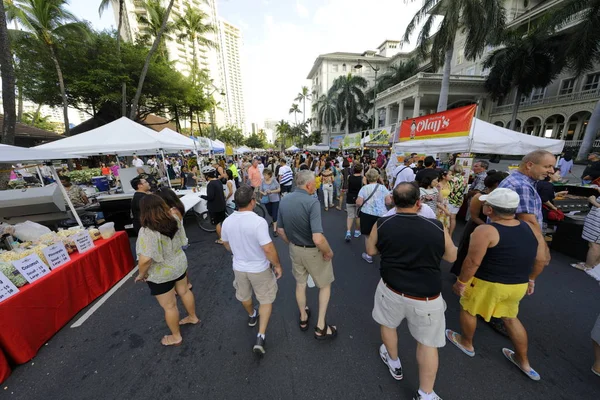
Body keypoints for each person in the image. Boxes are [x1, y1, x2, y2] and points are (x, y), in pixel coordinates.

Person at [366, 182, 457, 400]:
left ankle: (394, 361)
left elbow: (370, 250)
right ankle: (426, 393)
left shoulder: (382, 223)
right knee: (427, 344)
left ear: (392, 201)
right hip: (427, 296)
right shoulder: (436, 226)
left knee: (388, 325)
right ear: (419, 203)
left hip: (391, 288)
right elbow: (451, 256)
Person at [447, 188, 548, 381]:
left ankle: (466, 342)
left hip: (488, 283)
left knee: (468, 309)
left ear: (489, 210)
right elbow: (541, 258)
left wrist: (461, 282)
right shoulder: (530, 227)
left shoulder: (485, 230)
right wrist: (532, 278)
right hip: (518, 284)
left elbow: (472, 262)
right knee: (510, 318)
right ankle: (523, 361)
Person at [221, 185, 283, 354]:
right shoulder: (258, 222)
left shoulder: (227, 221)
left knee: (244, 295)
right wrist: (277, 265)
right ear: (252, 202)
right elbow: (268, 248)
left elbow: (226, 244)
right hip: (259, 268)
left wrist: (237, 251)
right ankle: (260, 336)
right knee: (265, 299)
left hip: (239, 267)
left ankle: (251, 315)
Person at [277, 170, 337, 340]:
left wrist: (291, 242)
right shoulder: (312, 202)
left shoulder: (285, 200)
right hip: (312, 251)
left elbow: (280, 230)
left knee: (300, 283)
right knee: (325, 285)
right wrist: (329, 252)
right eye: (315, 183)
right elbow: (318, 238)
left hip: (295, 248)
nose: (316, 185)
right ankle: (320, 326)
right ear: (309, 185)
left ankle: (303, 317)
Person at [134, 195, 199, 347]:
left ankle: (176, 336)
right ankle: (192, 316)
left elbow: (145, 260)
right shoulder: (174, 218)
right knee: (184, 291)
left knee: (169, 306)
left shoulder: (147, 231)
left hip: (161, 272)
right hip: (179, 263)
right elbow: (183, 240)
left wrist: (141, 274)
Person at [451, 171, 508, 276]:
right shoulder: (479, 197)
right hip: (477, 226)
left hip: (490, 229)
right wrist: (488, 227)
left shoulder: (503, 197)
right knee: (468, 251)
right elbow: (474, 217)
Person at [498, 150, 556, 232]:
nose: (552, 171)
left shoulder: (519, 181)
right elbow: (529, 223)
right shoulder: (521, 186)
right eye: (547, 166)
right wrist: (541, 243)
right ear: (529, 165)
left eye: (552, 167)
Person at [356, 168, 392, 264]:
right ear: (377, 177)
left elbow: (359, 203)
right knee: (381, 234)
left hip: (367, 214)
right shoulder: (383, 188)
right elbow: (388, 202)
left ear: (367, 177)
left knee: (368, 235)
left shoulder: (364, 188)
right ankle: (383, 253)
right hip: (381, 214)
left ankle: (369, 255)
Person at [572, 190, 600, 271]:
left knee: (594, 245)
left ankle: (588, 266)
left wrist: (593, 201)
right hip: (596, 220)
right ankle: (595, 264)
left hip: (597, 223)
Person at [200, 166, 227, 244]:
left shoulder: (210, 184)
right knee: (221, 222)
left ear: (207, 176)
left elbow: (210, 197)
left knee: (217, 224)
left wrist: (202, 196)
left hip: (215, 207)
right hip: (222, 205)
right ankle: (224, 236)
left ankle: (221, 239)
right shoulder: (218, 181)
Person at [345, 163, 364, 242]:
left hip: (349, 198)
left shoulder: (349, 177)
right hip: (358, 198)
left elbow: (347, 186)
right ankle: (356, 231)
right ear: (361, 170)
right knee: (357, 216)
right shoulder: (363, 178)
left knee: (350, 216)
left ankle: (348, 232)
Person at [260, 169, 281, 236]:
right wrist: (263, 193)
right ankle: (273, 221)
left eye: (265, 175)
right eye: (263, 175)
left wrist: (271, 191)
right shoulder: (262, 181)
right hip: (267, 200)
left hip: (275, 199)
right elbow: (260, 190)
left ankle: (275, 230)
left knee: (274, 214)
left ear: (269, 175)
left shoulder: (274, 180)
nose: (264, 176)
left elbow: (279, 189)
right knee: (270, 212)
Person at [447, 164, 466, 238]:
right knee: (453, 218)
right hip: (459, 200)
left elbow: (449, 190)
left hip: (451, 199)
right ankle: (450, 234)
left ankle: (446, 234)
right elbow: (465, 190)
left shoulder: (452, 179)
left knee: (447, 217)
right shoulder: (463, 178)